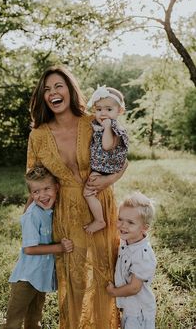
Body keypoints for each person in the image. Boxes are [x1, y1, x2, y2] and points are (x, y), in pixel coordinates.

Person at [27, 65, 127, 329]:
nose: (53, 93)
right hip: (67, 213)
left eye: (58, 86)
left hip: (100, 204)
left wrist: (108, 180)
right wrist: (28, 221)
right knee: (75, 279)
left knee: (106, 271)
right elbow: (33, 181)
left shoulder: (93, 121)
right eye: (47, 89)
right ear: (42, 96)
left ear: (70, 91)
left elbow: (122, 160)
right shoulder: (37, 135)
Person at [2, 165, 73, 329]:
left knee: (34, 318)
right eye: (36, 192)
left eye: (46, 188)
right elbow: (29, 249)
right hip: (26, 278)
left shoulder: (51, 209)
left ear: (57, 187)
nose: (42, 195)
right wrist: (60, 248)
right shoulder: (33, 215)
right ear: (31, 194)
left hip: (41, 276)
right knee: (13, 320)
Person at [106, 191, 157, 329]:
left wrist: (114, 292)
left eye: (130, 222)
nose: (123, 225)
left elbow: (135, 287)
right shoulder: (127, 241)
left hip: (140, 311)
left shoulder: (142, 254)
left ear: (144, 228)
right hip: (130, 307)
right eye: (120, 219)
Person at [83, 85, 128, 233]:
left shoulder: (113, 127)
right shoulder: (100, 125)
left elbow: (107, 145)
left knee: (88, 192)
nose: (103, 113)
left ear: (119, 111)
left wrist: (107, 127)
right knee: (91, 191)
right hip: (103, 166)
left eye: (109, 109)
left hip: (105, 168)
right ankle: (99, 218)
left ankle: (99, 220)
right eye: (99, 109)